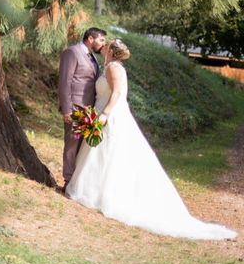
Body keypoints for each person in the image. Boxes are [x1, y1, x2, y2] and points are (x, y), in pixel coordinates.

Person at [66, 39, 237, 240]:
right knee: (101, 152)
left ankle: (103, 194)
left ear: (111, 51)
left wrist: (104, 114)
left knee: (109, 153)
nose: (103, 47)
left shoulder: (113, 67)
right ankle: (96, 190)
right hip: (102, 111)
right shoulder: (112, 66)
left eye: (107, 45)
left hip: (110, 114)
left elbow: (118, 93)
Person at [58, 27, 107, 191]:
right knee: (71, 146)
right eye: (101, 40)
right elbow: (65, 82)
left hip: (89, 110)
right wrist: (67, 110)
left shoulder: (92, 56)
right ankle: (68, 181)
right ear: (91, 39)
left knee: (82, 147)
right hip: (74, 108)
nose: (103, 44)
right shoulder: (72, 52)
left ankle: (76, 182)